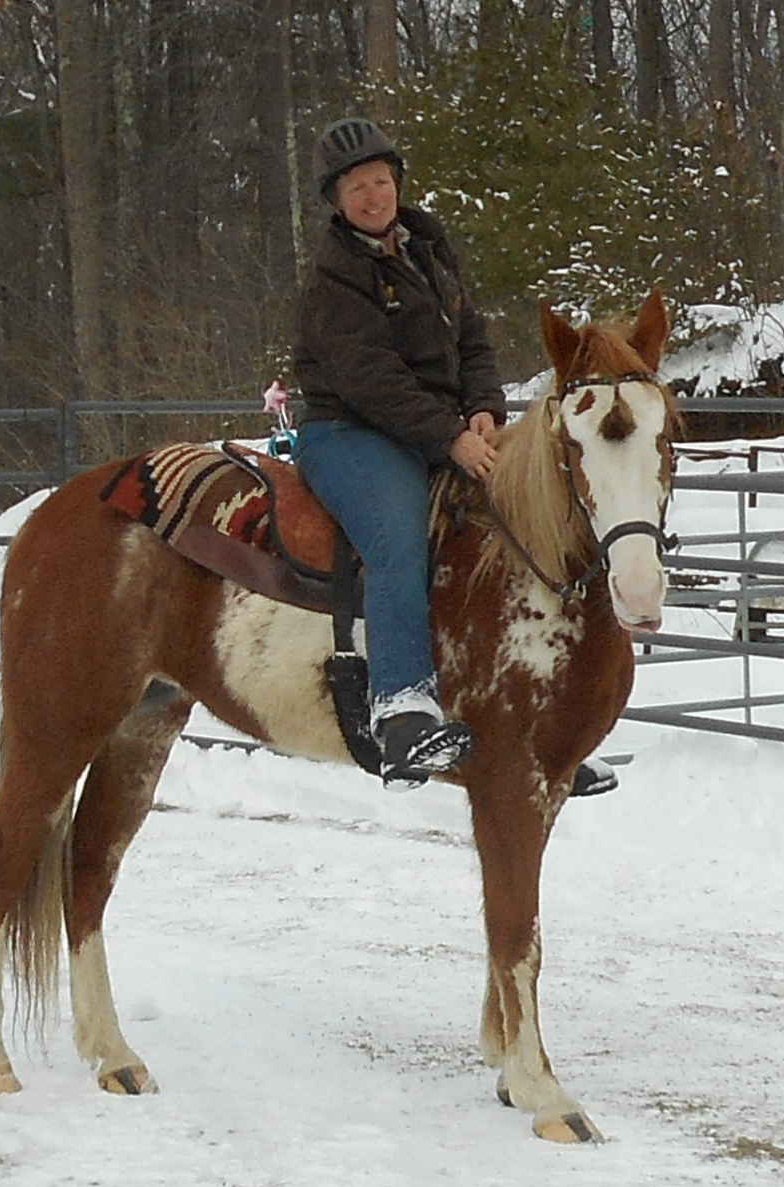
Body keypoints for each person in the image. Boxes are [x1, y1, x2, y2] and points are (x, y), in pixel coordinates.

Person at [293, 117, 506, 787]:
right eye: (356, 187)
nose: (373, 196)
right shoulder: (334, 276)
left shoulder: (428, 248)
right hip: (351, 431)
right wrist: (450, 438)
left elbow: (471, 338)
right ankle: (402, 712)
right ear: (336, 201)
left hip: (434, 426)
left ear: (398, 183)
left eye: (381, 181)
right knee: (397, 539)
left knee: (520, 521)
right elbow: (371, 381)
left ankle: (524, 708)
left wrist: (483, 406)